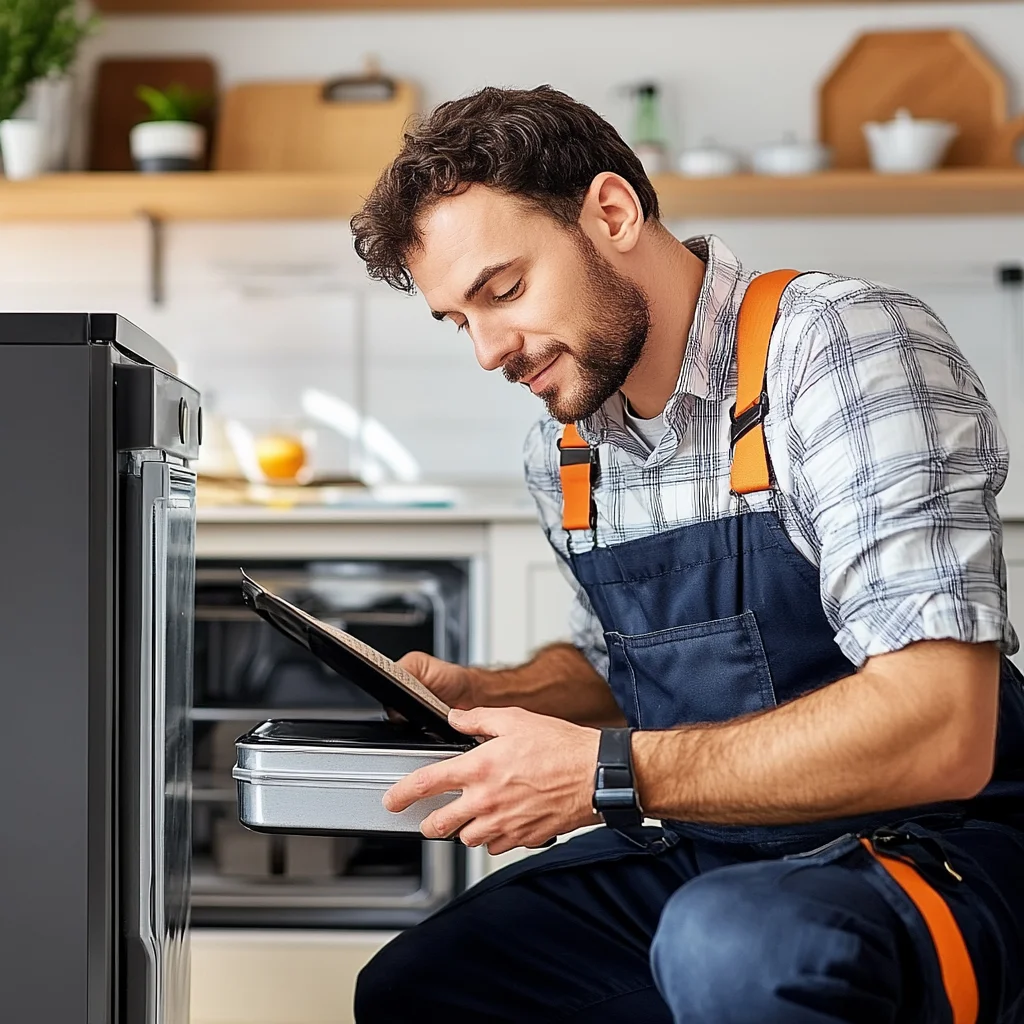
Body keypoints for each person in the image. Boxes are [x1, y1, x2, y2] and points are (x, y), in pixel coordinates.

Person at [349, 85, 1024, 1023]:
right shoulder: (568, 442)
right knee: (423, 986)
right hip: (723, 843)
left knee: (728, 941)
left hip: (932, 846)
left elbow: (941, 729)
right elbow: (632, 672)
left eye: (502, 291)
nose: (489, 352)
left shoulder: (838, 348)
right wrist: (493, 697)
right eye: (459, 320)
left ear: (613, 212)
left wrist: (604, 774)